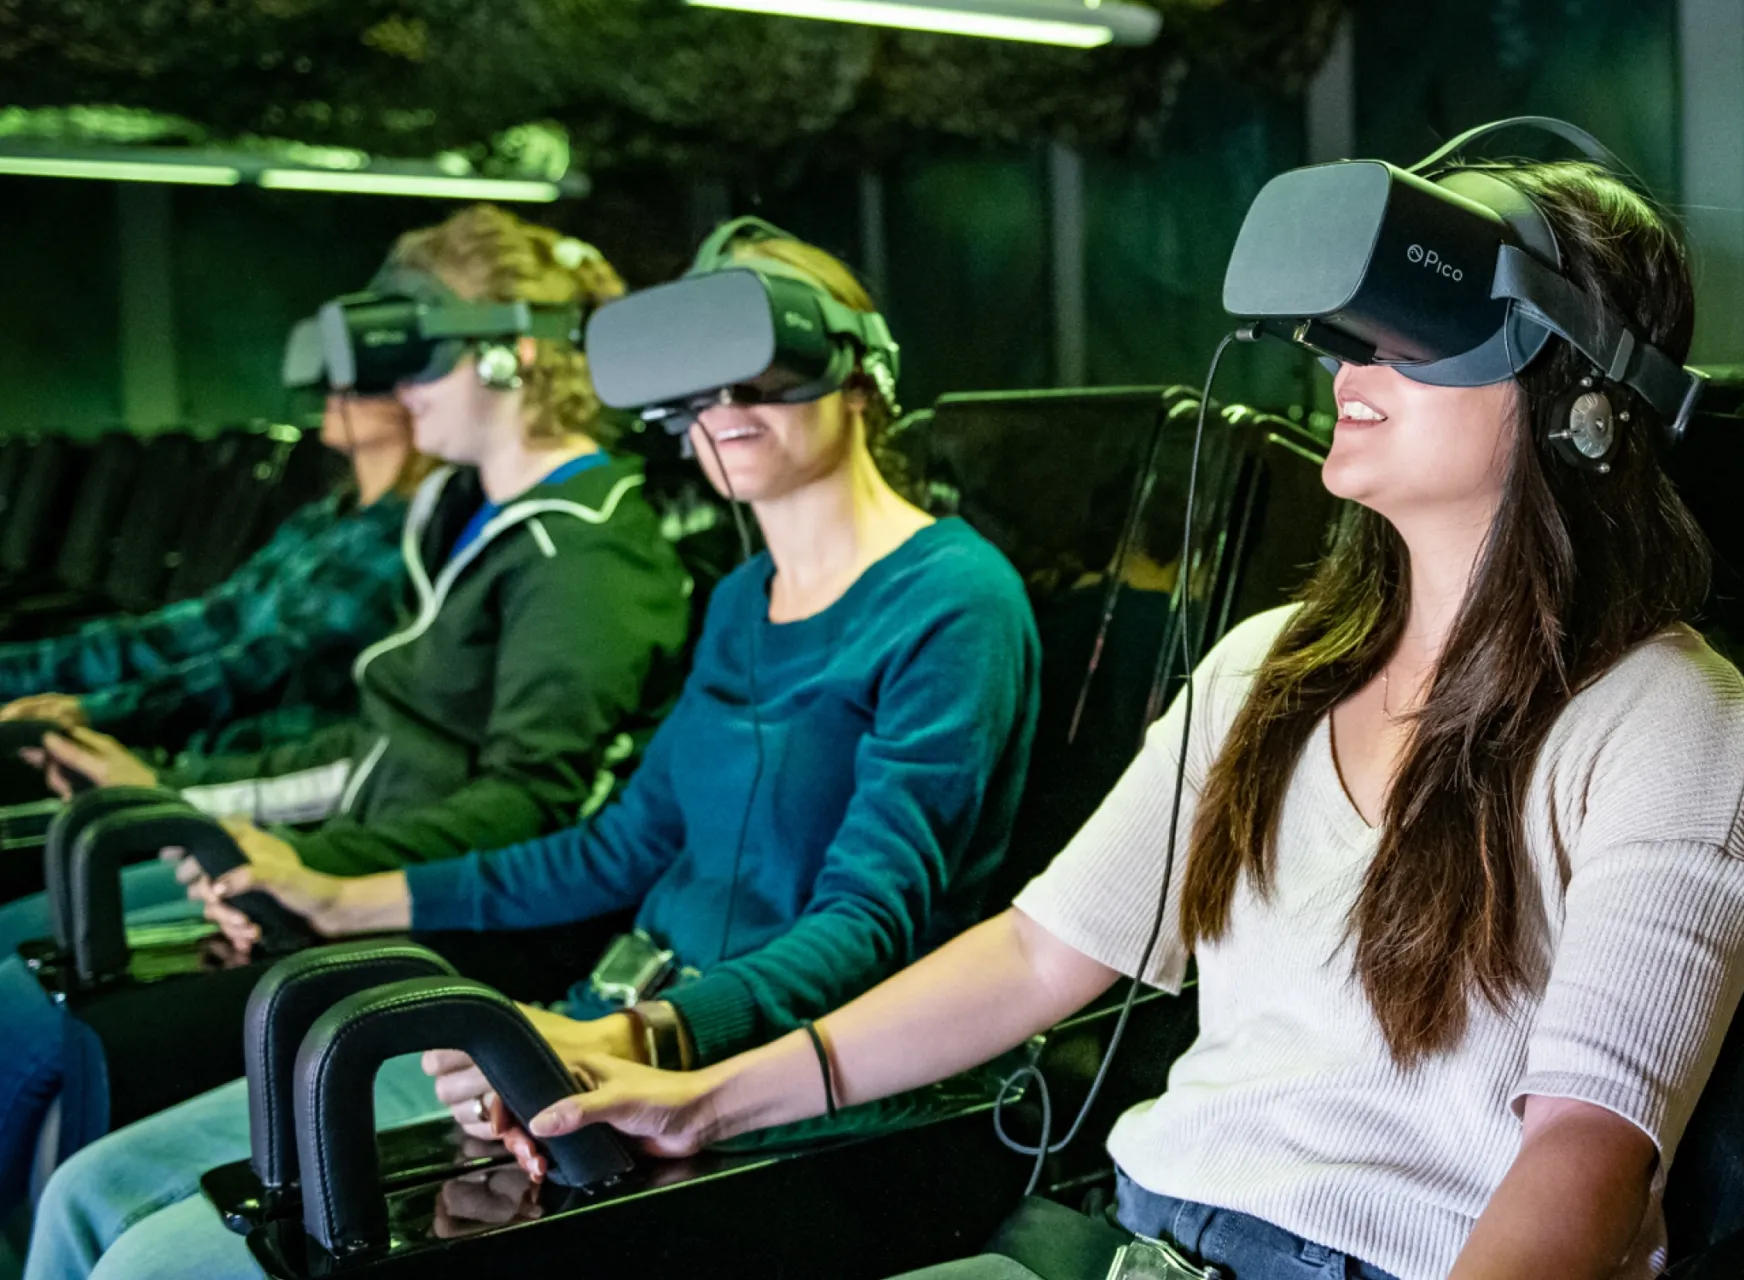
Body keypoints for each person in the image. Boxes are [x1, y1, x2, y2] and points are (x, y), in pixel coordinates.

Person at [499, 161, 1744, 1280]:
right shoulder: (1263, 671)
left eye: (1410, 325)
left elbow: (1589, 1154)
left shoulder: (1666, 718)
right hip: (1121, 1233)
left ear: (1585, 386)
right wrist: (701, 1099)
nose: (1341, 360)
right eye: (1343, 331)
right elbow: (1035, 957)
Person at [24, 227, 1040, 1280]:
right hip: (595, 1018)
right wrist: (342, 895)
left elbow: (871, 920)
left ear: (863, 376)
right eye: (695, 377)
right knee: (90, 1192)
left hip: (756, 1078)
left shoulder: (953, 600)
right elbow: (618, 845)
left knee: (160, 1262)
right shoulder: (742, 600)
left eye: (770, 367)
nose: (723, 406)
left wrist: (650, 1033)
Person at [0, 203, 691, 1229]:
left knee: (20, 993)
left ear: (509, 358)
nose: (396, 389)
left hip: (439, 922)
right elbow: (387, 743)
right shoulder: (476, 518)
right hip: (357, 863)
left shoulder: (585, 553)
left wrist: (324, 876)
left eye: (419, 358)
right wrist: (238, 828)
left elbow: (534, 802)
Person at [0, 391, 422, 792]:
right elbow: (200, 627)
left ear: (416, 396)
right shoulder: (322, 520)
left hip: (258, 767)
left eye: (369, 377)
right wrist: (19, 671)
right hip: (196, 751)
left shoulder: (409, 537)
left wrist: (101, 713)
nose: (337, 387)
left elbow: (274, 665)